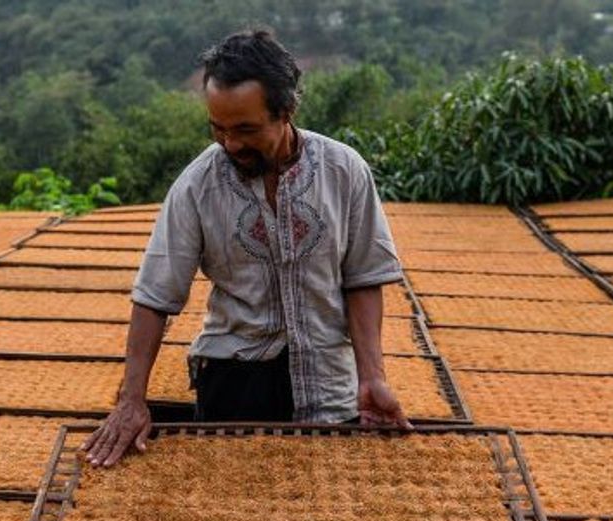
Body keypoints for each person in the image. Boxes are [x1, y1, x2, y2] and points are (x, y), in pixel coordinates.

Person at [83, 29, 411, 468]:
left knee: (329, 513)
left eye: (245, 129)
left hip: (329, 378)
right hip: (236, 380)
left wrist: (372, 377)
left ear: (286, 111)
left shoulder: (343, 171)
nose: (230, 143)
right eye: (217, 128)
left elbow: (363, 278)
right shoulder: (198, 185)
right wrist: (132, 399)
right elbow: (155, 296)